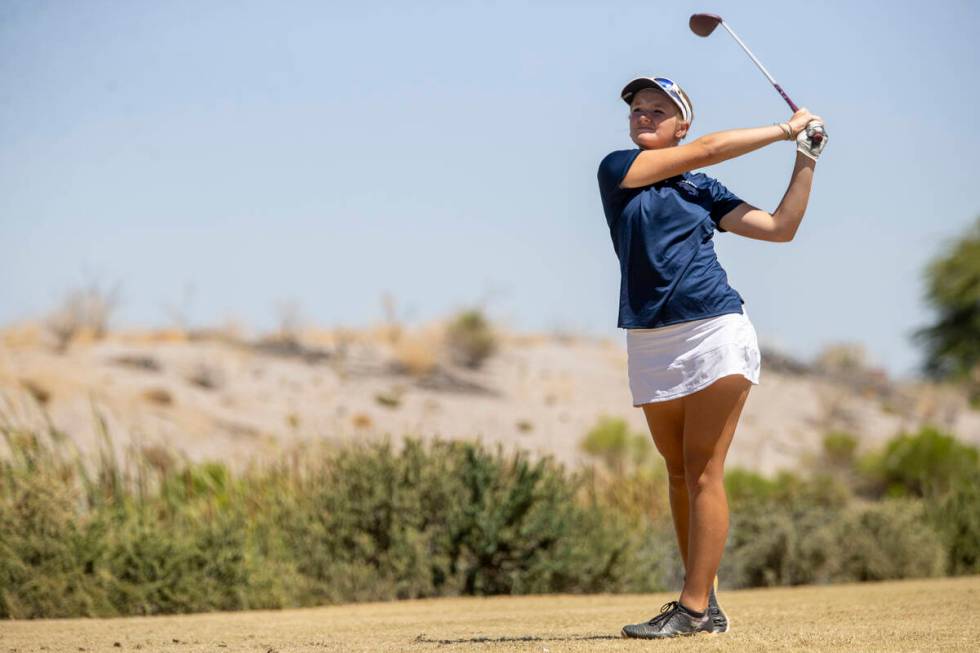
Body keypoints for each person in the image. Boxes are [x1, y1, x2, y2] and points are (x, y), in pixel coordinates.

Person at [596, 76, 826, 639]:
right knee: (677, 471)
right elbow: (707, 149)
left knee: (702, 469)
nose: (644, 117)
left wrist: (804, 157)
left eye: (659, 110)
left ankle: (693, 608)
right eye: (638, 110)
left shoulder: (703, 189)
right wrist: (782, 127)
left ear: (682, 125)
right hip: (650, 337)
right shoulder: (617, 170)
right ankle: (707, 601)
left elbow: (779, 229)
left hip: (714, 330)